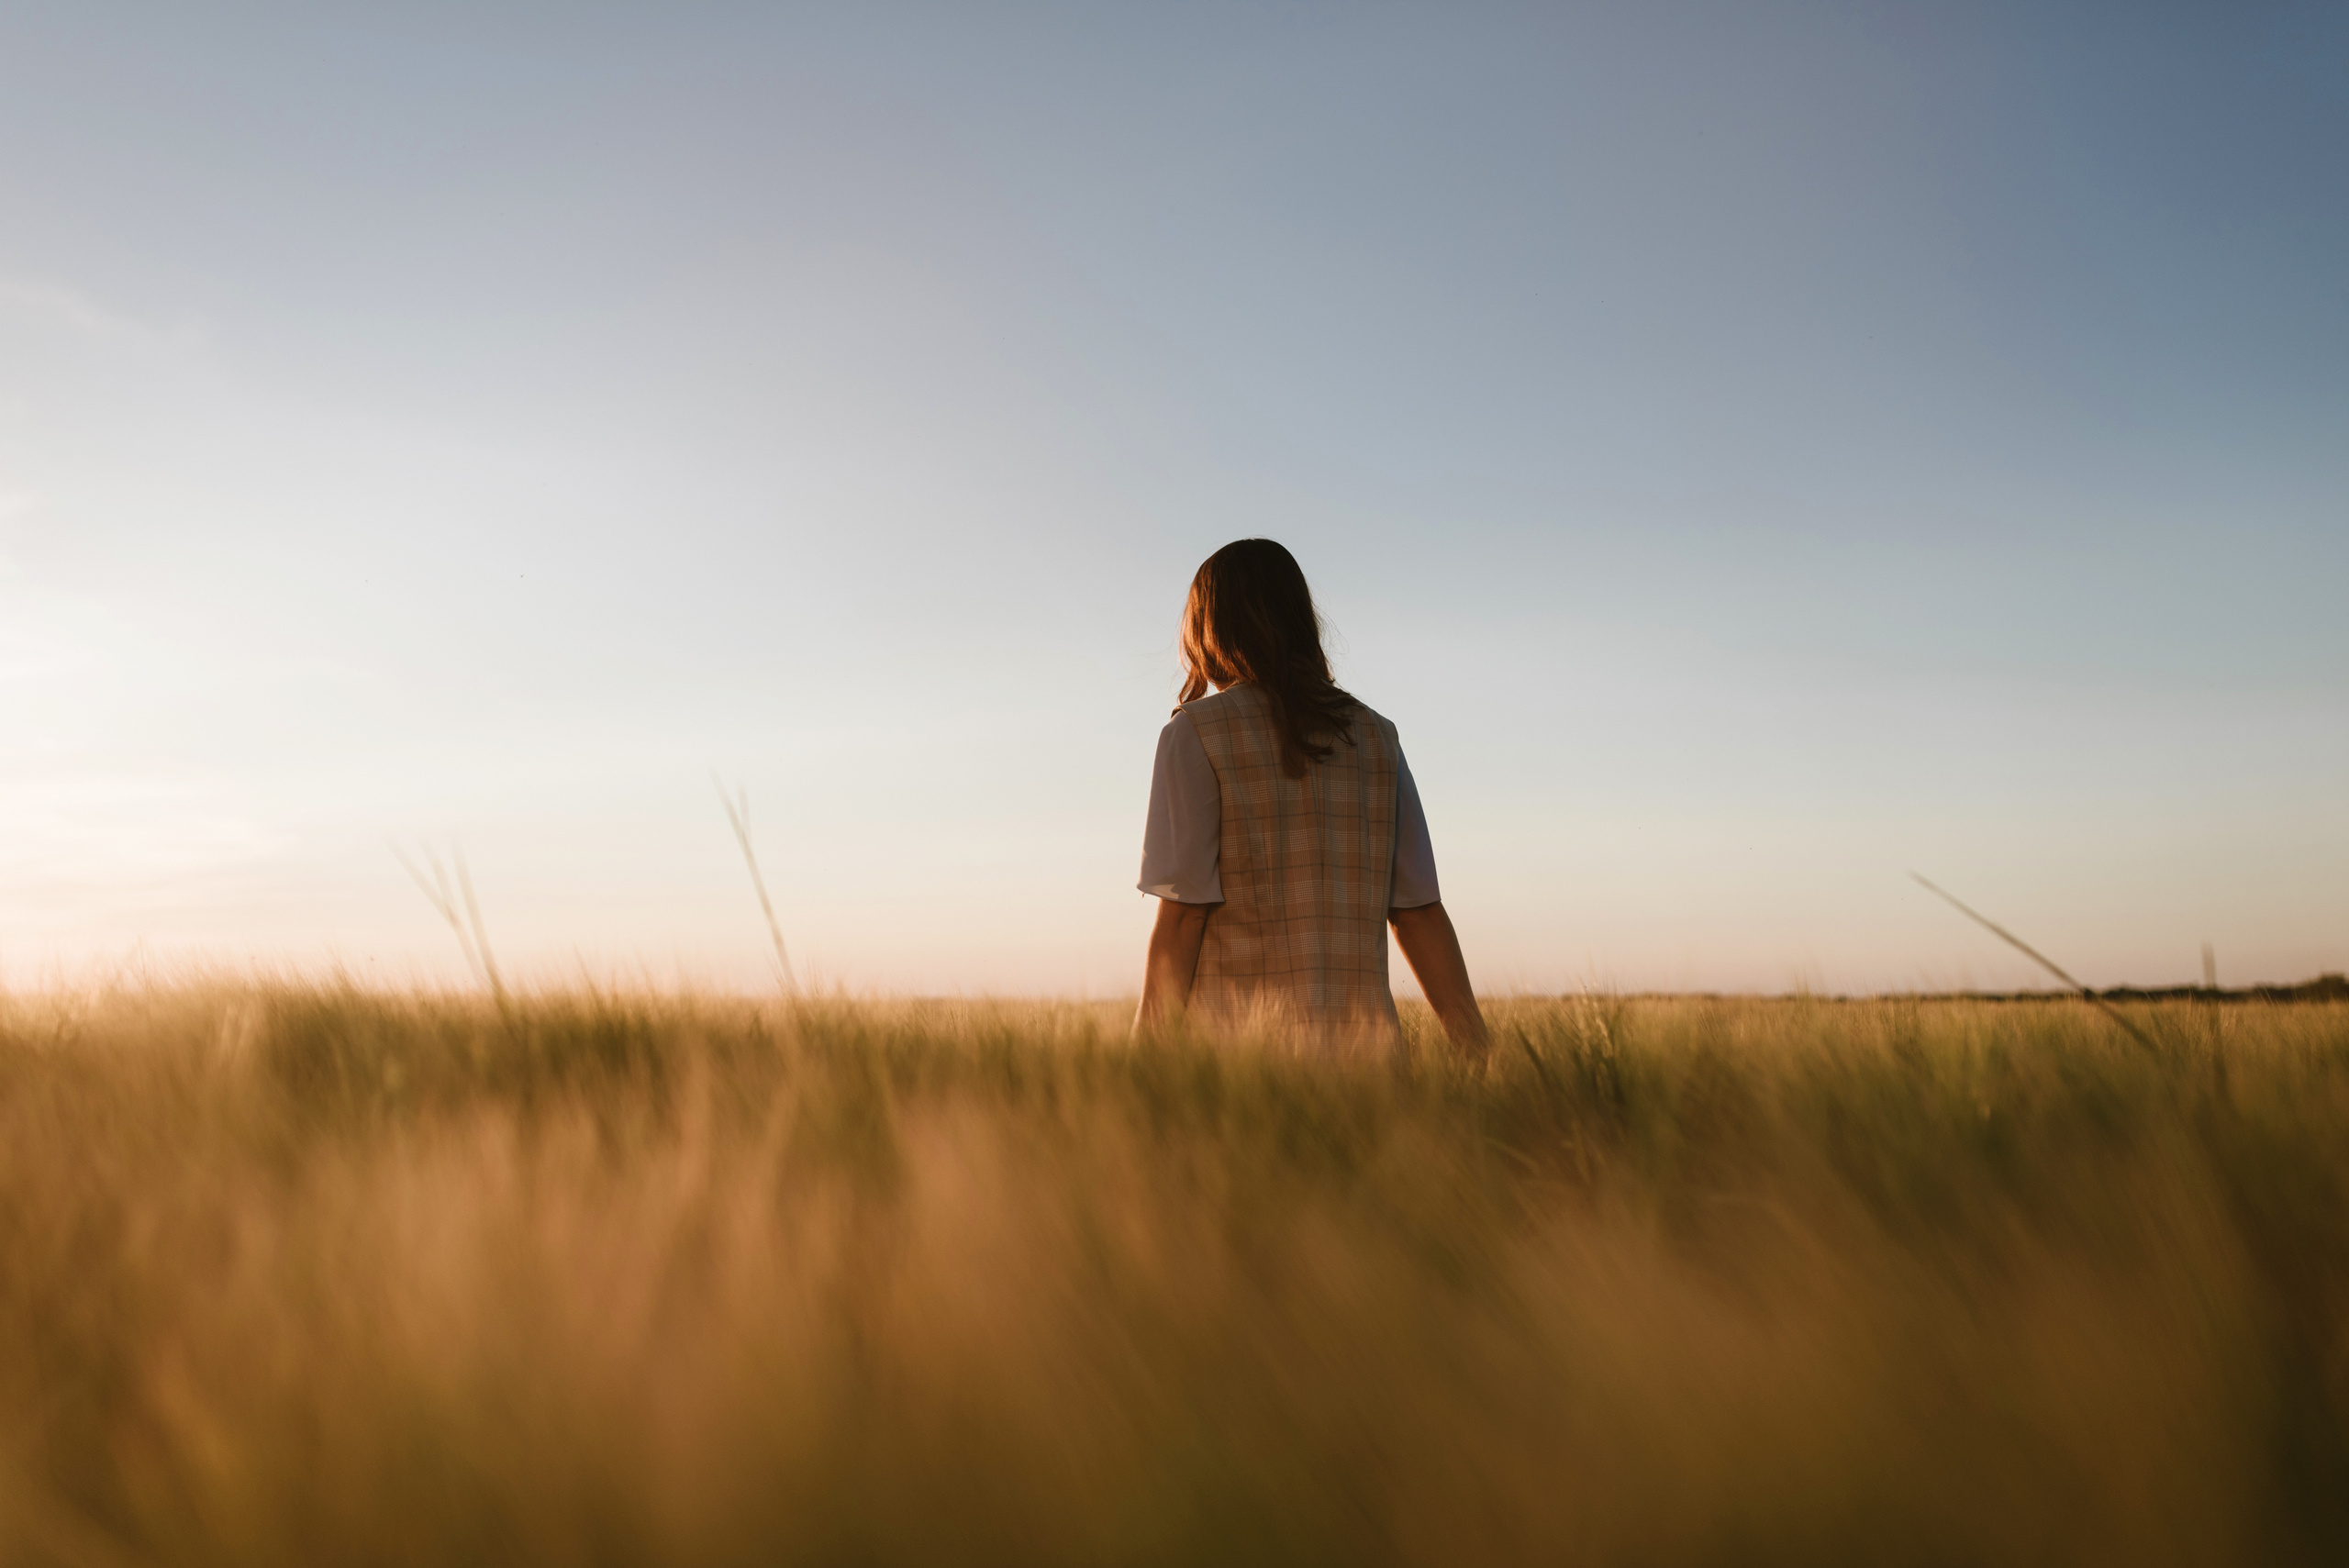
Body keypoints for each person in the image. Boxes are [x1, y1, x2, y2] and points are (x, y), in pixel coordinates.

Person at [1133, 539, 1489, 1056]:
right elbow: (1418, 912)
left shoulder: (1196, 733)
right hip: (1368, 1068)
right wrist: (1476, 1046)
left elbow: (1185, 915)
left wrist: (1142, 1061)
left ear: (1208, 625)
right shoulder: (1376, 736)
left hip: (1238, 1071)